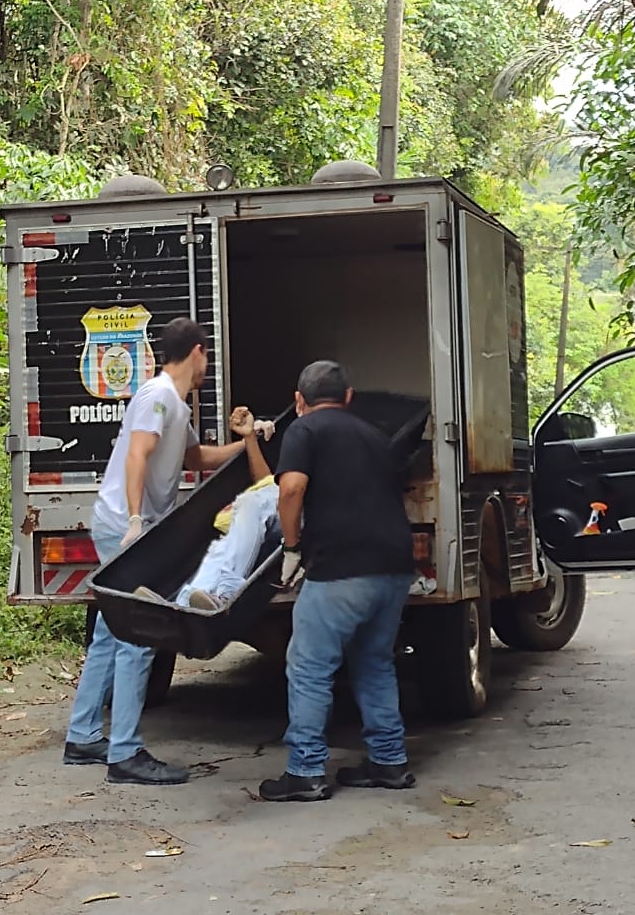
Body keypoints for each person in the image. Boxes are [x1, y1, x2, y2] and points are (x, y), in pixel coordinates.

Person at [63, 317, 250, 786]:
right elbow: (137, 455)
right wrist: (134, 520)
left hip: (131, 527)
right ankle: (125, 753)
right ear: (198, 352)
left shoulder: (176, 406)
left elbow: (196, 459)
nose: (208, 365)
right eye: (208, 356)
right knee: (140, 635)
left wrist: (248, 444)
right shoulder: (158, 395)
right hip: (127, 529)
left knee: (110, 634)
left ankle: (83, 735)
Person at [258, 360, 417, 803]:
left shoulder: (304, 430)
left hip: (342, 568)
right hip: (394, 567)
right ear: (348, 398)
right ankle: (389, 762)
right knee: (374, 662)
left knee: (309, 666)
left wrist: (292, 547)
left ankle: (306, 771)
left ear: (299, 401)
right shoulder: (375, 435)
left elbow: (291, 489)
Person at [160, 411, 278, 612]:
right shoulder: (300, 433)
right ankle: (185, 602)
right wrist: (250, 437)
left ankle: (227, 593)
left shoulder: (311, 436)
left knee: (250, 503)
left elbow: (288, 490)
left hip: (302, 511)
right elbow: (266, 484)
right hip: (277, 502)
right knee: (226, 543)